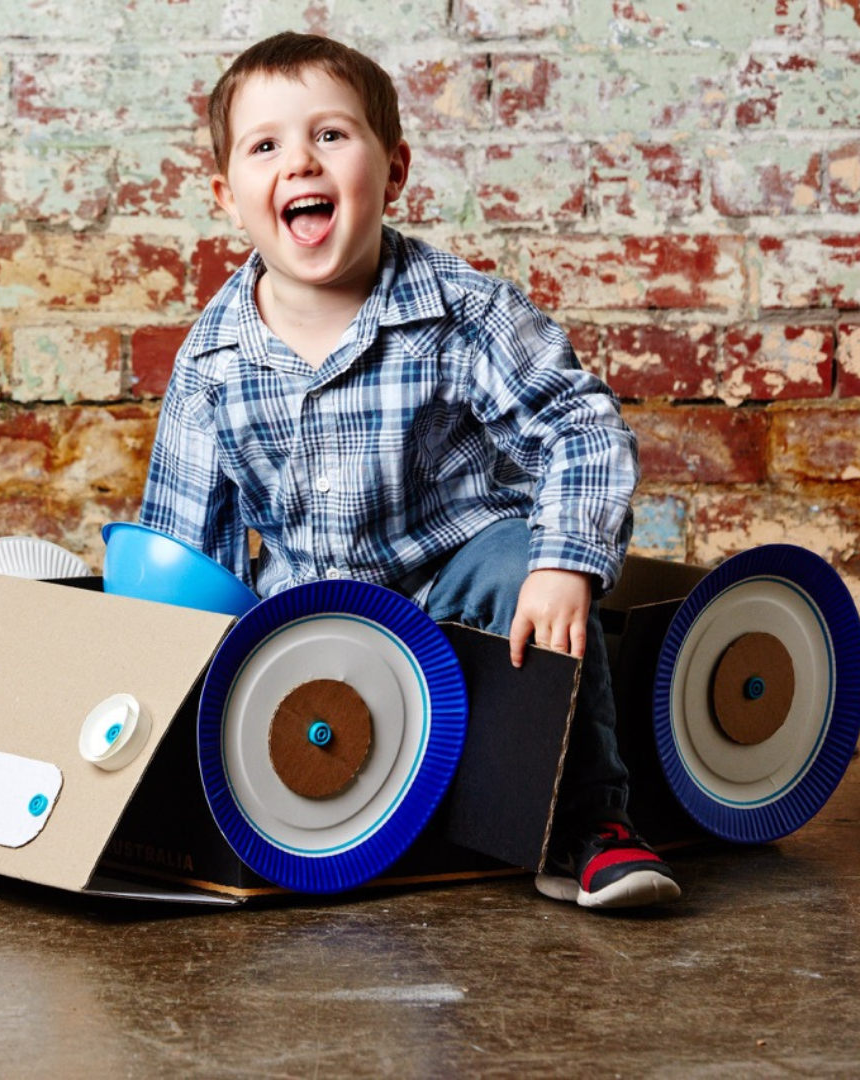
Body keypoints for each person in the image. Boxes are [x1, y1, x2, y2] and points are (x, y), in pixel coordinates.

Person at [139, 31, 680, 909]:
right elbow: (182, 550)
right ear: (227, 194)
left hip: (457, 604)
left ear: (393, 169)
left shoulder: (461, 312)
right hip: (310, 637)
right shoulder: (210, 362)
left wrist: (564, 560)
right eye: (266, 145)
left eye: (331, 136)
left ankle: (586, 823)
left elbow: (581, 424)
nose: (301, 162)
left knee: (521, 567)